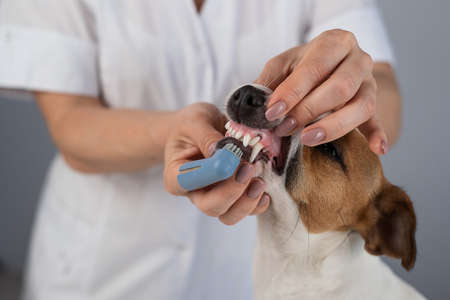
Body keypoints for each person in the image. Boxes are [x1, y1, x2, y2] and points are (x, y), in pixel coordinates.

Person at [0, 0, 401, 299]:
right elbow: (71, 123)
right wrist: (170, 133)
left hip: (242, 277)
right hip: (103, 268)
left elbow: (383, 93)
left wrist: (356, 89)